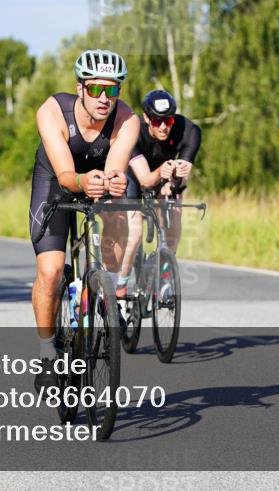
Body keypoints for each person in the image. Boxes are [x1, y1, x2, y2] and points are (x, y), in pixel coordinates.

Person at [29, 49, 139, 389]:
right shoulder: (53, 112)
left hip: (97, 180)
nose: (104, 98)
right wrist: (81, 181)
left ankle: (109, 293)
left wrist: (115, 181)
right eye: (95, 90)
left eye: (112, 90)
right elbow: (65, 174)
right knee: (49, 273)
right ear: (80, 88)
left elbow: (115, 167)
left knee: (119, 217)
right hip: (56, 182)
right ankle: (48, 354)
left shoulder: (127, 119)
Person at [115, 90, 202, 299]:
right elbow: (145, 179)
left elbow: (183, 175)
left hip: (165, 176)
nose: (163, 127)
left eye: (168, 120)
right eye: (156, 122)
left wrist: (178, 177)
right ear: (146, 119)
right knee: (134, 236)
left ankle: (162, 274)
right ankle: (121, 287)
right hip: (136, 176)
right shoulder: (134, 131)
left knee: (173, 226)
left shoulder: (189, 131)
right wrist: (161, 173)